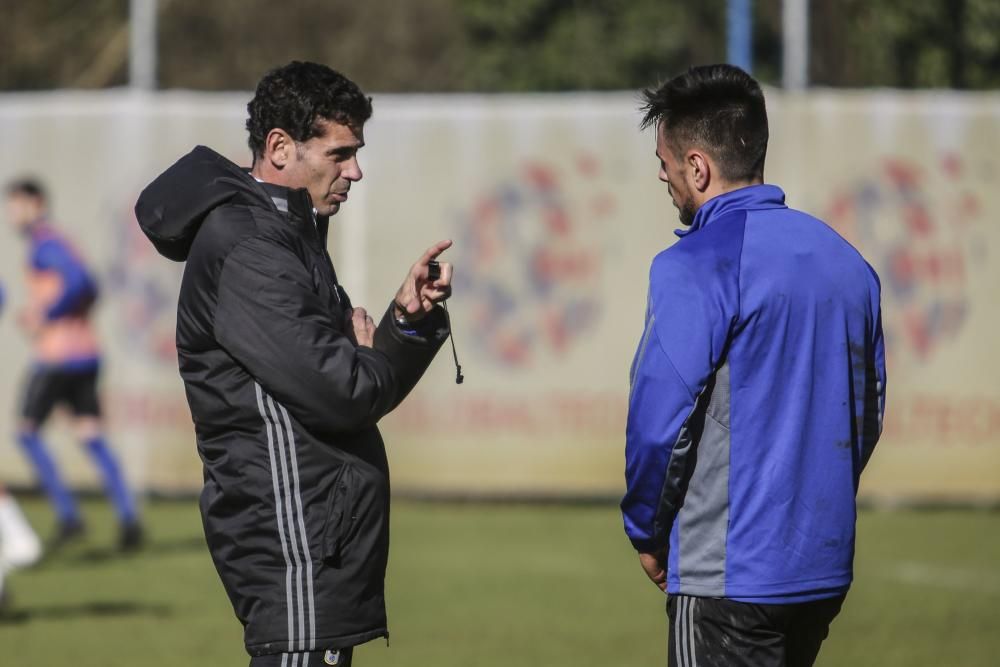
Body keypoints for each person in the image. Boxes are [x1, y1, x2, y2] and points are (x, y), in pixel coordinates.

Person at [134, 61, 453, 667]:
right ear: (280, 147)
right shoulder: (251, 247)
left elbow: (345, 380)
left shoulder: (288, 233)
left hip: (316, 543)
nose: (356, 170)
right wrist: (363, 353)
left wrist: (405, 323)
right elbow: (346, 393)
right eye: (341, 153)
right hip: (297, 549)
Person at [621, 64, 886, 667]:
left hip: (728, 578)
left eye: (664, 162)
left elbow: (661, 421)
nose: (661, 176)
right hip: (820, 571)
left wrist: (648, 531)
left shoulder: (694, 264)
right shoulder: (849, 263)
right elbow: (866, 413)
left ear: (697, 166)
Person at [5, 180, 143, 552]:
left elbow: (80, 281)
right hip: (86, 354)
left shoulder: (45, 245)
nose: (12, 214)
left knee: (26, 432)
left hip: (58, 358)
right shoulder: (62, 241)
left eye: (16, 206)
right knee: (89, 434)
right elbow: (92, 287)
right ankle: (129, 519)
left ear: (36, 204)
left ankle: (69, 516)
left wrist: (44, 314)